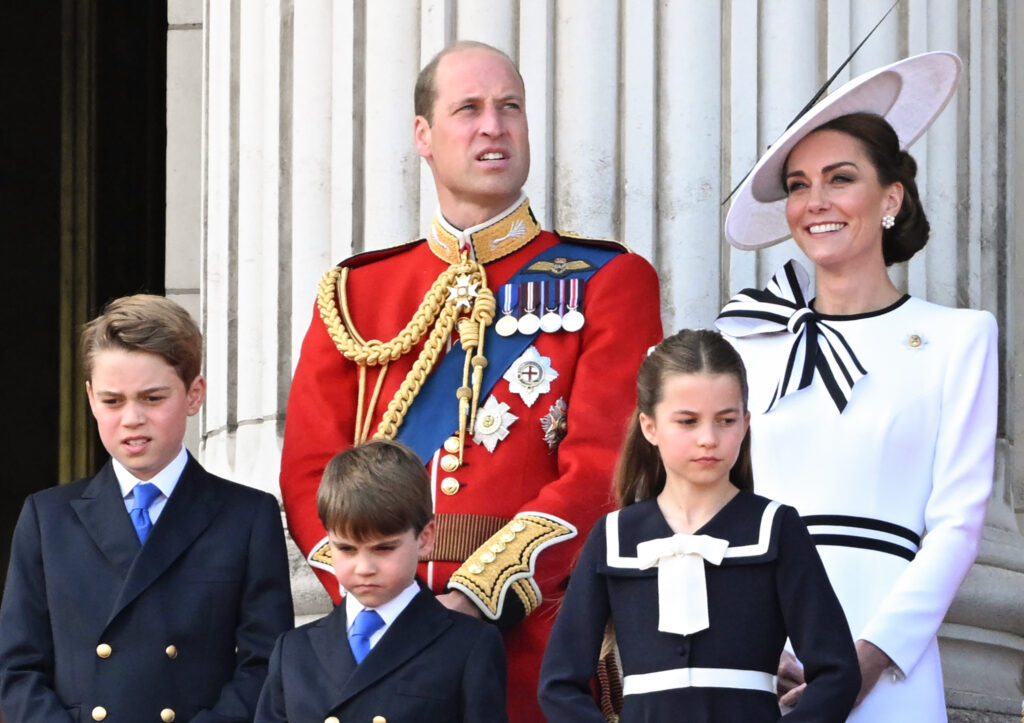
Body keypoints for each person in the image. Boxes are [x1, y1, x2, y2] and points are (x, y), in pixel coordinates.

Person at [279, 40, 663, 721]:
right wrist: (380, 597)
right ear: (423, 136)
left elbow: (605, 465)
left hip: (534, 639)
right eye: (470, 109)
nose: (494, 125)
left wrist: (479, 595)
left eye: (509, 107)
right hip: (375, 645)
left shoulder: (608, 281)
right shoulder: (357, 293)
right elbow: (310, 471)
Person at [716, 52, 997, 721]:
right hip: (759, 652)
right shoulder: (745, 340)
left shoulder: (960, 336)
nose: (815, 201)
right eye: (798, 184)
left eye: (840, 179)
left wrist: (864, 659)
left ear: (890, 197)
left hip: (890, 657)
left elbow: (957, 524)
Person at [538, 329, 860, 721]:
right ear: (649, 426)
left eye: (725, 420)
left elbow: (838, 673)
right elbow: (559, 683)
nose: (709, 439)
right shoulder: (614, 536)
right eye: (687, 422)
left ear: (745, 424)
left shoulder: (776, 527)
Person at [0, 295, 294, 723]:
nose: (132, 418)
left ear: (194, 395)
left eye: (152, 398)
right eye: (113, 401)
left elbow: (265, 667)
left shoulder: (246, 518)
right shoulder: (47, 518)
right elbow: (18, 669)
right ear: (90, 398)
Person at [256, 439, 508, 722]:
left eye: (384, 548)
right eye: (346, 549)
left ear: (425, 538)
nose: (364, 568)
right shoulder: (292, 650)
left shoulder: (469, 645)